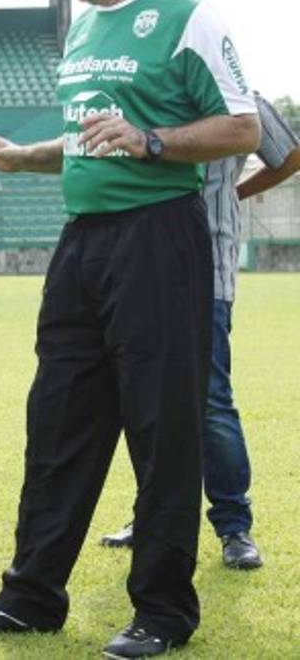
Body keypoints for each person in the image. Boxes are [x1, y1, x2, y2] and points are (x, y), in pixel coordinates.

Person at [0, 0, 261, 658]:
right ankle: (31, 598)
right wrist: (27, 158)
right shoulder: (83, 32)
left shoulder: (188, 15)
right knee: (58, 419)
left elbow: (243, 124)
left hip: (160, 239)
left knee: (163, 425)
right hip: (83, 243)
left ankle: (161, 612)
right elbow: (93, 139)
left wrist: (154, 140)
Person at [99, 93, 300, 568]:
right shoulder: (149, 84)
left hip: (208, 267)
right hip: (142, 265)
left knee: (210, 400)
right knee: (143, 399)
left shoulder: (241, 95)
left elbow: (288, 154)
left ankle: (234, 527)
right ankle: (152, 517)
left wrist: (236, 192)